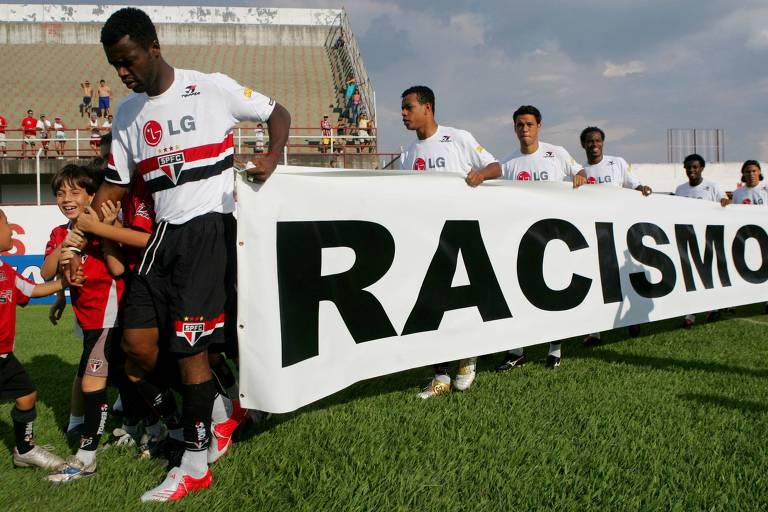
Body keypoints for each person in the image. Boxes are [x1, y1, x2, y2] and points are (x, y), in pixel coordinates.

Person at [91, 7, 290, 502]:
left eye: (128, 60)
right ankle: (221, 410)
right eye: (116, 64)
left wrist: (272, 154)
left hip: (209, 228)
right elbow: (114, 188)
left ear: (153, 47)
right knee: (134, 346)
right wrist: (79, 237)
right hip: (161, 234)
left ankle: (195, 463)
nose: (123, 72)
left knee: (191, 349)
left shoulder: (210, 87)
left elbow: (276, 113)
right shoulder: (126, 114)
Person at [400, 85, 502, 399]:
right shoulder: (407, 156)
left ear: (427, 108)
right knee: (431, 306)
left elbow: (497, 166)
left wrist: (481, 175)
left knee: (463, 300)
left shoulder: (457, 138)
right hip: (427, 240)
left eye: (408, 108)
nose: (403, 114)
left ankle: (468, 357)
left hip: (461, 235)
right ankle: (441, 375)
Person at [42, 164, 126, 483]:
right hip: (88, 317)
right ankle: (156, 428)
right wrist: (68, 245)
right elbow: (48, 271)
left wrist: (99, 232)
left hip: (110, 315)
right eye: (61, 193)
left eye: (75, 191)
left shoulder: (104, 226)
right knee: (129, 377)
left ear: (92, 195)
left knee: (95, 380)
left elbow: (118, 269)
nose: (66, 198)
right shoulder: (59, 233)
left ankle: (86, 456)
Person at [497, 105, 588, 371]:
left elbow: (579, 172)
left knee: (553, 295)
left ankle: (554, 348)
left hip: (555, 237)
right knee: (519, 293)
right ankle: (517, 351)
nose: (524, 129)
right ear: (514, 129)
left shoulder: (556, 154)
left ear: (539, 126)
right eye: (519, 125)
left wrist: (580, 177)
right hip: (523, 239)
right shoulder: (510, 163)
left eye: (529, 124)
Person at [0, 208, 73, 471]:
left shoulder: (6, 272)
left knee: (27, 396)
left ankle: (24, 450)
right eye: (6, 224)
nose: (12, 230)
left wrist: (66, 282)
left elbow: (33, 289)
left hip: (4, 356)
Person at [580, 126, 652, 346]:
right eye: (589, 142)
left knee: (626, 277)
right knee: (598, 281)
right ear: (583, 145)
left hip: (620, 232)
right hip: (595, 234)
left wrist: (643, 189)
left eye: (597, 141)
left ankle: (634, 317)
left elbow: (634, 186)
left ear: (603, 142)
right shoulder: (579, 171)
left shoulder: (617, 163)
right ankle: (595, 331)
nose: (594, 145)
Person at [673, 153, 727, 328]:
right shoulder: (680, 189)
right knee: (689, 274)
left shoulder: (713, 187)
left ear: (702, 168)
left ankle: (713, 307)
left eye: (695, 167)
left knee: (708, 272)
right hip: (687, 237)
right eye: (688, 167)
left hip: (708, 236)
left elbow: (726, 204)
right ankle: (691, 313)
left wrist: (726, 202)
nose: (691, 170)